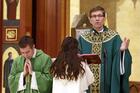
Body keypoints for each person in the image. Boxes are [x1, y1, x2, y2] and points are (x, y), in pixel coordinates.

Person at [78, 6, 132, 93]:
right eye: (94, 16)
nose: (97, 19)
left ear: (104, 17)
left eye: (100, 15)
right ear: (89, 19)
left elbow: (122, 63)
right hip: (87, 85)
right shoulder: (83, 38)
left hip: (107, 85)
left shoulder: (114, 37)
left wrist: (122, 51)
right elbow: (77, 58)